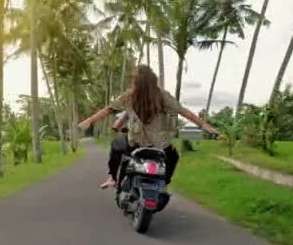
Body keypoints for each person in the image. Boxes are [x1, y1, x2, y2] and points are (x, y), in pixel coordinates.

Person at [78, 65, 218, 189]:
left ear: (136, 83)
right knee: (173, 156)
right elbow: (183, 111)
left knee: (116, 145)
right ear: (153, 80)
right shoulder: (162, 96)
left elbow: (108, 109)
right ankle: (165, 183)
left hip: (135, 144)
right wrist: (204, 125)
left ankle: (113, 178)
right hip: (160, 147)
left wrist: (89, 121)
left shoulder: (129, 96)